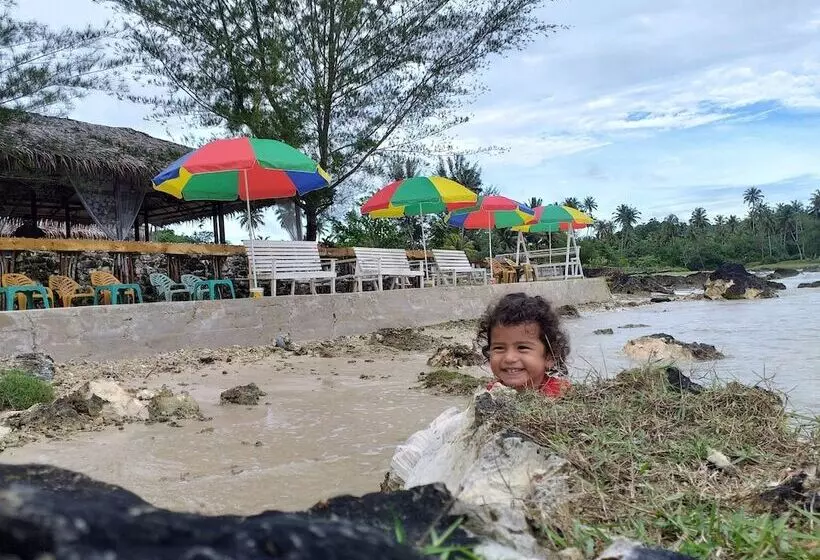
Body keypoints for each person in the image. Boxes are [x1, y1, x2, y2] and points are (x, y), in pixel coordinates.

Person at [477, 292, 571, 397]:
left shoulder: (562, 394)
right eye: (499, 348)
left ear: (550, 357)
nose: (509, 358)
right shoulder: (490, 394)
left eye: (522, 347)